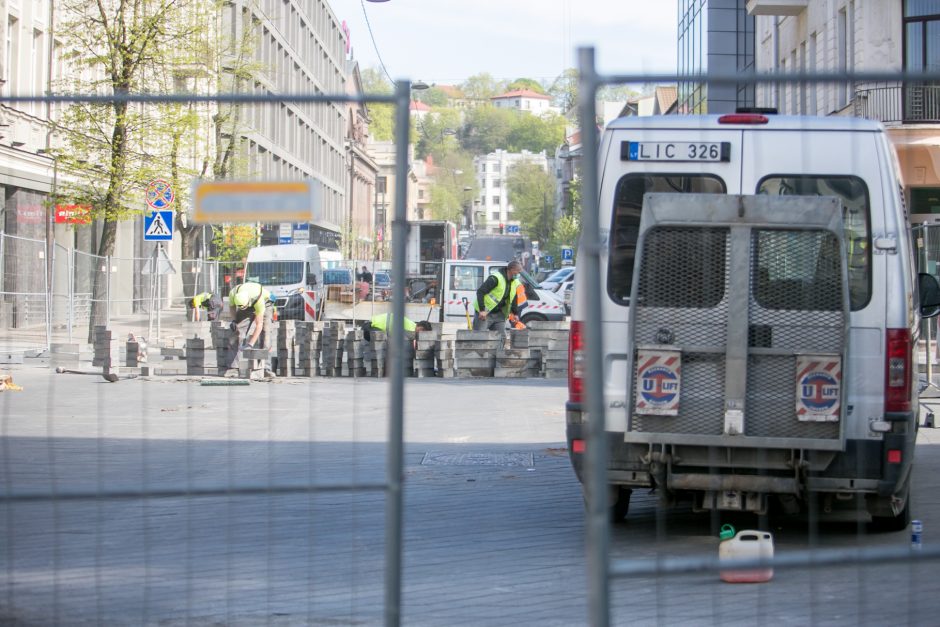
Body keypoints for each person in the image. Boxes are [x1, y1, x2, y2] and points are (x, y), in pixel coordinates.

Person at [228, 281, 276, 375]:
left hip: (265, 303)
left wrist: (250, 344)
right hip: (248, 302)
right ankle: (233, 368)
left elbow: (259, 325)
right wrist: (234, 320)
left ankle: (266, 368)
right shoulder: (233, 294)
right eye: (240, 307)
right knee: (237, 332)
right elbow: (232, 307)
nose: (242, 308)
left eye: (243, 307)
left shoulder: (258, 300)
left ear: (248, 302)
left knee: (266, 334)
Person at [473, 260, 522, 331]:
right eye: (518, 271)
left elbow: (513, 298)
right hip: (486, 313)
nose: (519, 274)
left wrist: (515, 313)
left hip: (499, 314)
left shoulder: (515, 282)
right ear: (512, 270)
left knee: (501, 337)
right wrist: (482, 310)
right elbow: (480, 292)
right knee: (480, 336)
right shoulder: (496, 278)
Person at [359, 313, 432, 343]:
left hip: (369, 324)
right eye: (422, 333)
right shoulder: (411, 329)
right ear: (421, 328)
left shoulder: (411, 324)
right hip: (370, 328)